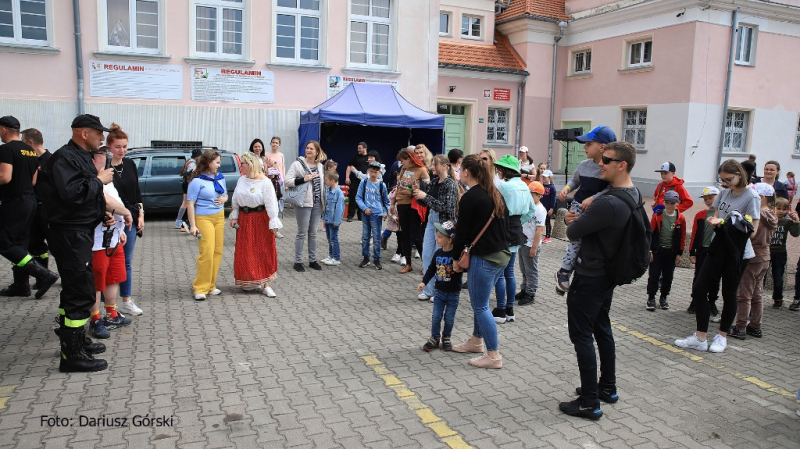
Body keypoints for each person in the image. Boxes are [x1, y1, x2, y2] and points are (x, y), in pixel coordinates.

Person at [43, 114, 133, 372]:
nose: (101, 138)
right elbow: (71, 194)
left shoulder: (78, 157)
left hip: (79, 232)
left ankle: (77, 341)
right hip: (69, 234)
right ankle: (71, 356)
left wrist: (104, 211)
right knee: (79, 292)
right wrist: (98, 181)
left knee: (76, 289)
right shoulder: (65, 158)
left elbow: (83, 196)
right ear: (84, 133)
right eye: (98, 133)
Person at [559, 141, 640, 421]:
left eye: (606, 159)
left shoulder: (607, 203)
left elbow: (573, 231)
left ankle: (590, 402)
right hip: (607, 275)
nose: (600, 163)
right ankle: (607, 387)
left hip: (591, 276)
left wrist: (572, 219)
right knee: (601, 327)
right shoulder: (632, 193)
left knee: (581, 335)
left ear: (622, 165)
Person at [675, 159, 760, 354]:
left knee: (729, 294)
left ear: (740, 175)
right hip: (717, 246)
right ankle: (700, 337)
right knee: (699, 289)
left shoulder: (752, 197)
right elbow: (718, 214)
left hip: (737, 252)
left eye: (729, 179)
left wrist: (725, 223)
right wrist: (716, 221)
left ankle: (722, 336)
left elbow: (752, 230)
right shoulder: (723, 193)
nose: (725, 183)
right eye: (722, 180)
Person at [450, 154, 509, 369]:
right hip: (500, 255)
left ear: (466, 172)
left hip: (485, 258)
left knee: (481, 306)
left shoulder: (471, 197)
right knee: (480, 303)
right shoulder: (493, 193)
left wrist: (456, 259)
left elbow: (462, 233)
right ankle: (476, 341)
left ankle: (493, 356)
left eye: (460, 170)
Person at [555, 125, 616, 294]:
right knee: (576, 240)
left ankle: (566, 273)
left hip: (596, 210)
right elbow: (575, 181)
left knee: (583, 242)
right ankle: (564, 272)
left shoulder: (608, 169)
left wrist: (594, 198)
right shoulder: (583, 165)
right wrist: (567, 188)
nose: (584, 147)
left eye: (589, 143)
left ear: (602, 147)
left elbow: (611, 189)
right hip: (578, 206)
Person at [0, 126, 53, 297]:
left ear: (3, 129)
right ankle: (21, 285)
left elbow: (5, 177)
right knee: (22, 244)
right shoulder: (30, 152)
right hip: (29, 201)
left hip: (15, 202)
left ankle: (43, 274)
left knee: (6, 243)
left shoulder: (6, 149)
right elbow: (33, 181)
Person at [88, 148, 131, 339]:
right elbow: (106, 203)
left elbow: (115, 202)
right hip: (97, 242)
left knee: (113, 277)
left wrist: (120, 230)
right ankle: (95, 319)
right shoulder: (91, 180)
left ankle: (111, 313)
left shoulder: (107, 180)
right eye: (100, 156)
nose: (105, 160)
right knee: (97, 283)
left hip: (113, 239)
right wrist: (127, 213)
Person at [229, 152, 282, 297]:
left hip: (260, 219)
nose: (241, 166)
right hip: (245, 220)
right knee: (246, 251)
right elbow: (235, 199)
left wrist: (273, 221)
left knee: (262, 250)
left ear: (252, 165)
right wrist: (235, 216)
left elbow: (271, 203)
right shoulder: (242, 180)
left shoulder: (265, 182)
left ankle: (266, 284)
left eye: (243, 163)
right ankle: (250, 280)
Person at [730, 183, 777, 340]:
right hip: (765, 256)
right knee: (757, 293)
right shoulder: (772, 214)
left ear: (761, 197)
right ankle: (756, 326)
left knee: (744, 293)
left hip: (752, 256)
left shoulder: (758, 214)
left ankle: (741, 326)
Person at [491, 155, 535, 324]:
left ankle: (501, 309)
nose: (498, 172)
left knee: (501, 273)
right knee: (509, 272)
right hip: (516, 231)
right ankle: (509, 309)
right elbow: (530, 210)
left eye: (499, 169)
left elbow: (494, 210)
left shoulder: (504, 187)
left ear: (504, 170)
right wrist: (518, 222)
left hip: (503, 231)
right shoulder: (525, 186)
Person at [107, 124, 145, 316]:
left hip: (131, 216)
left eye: (124, 146)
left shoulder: (130, 164)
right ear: (109, 147)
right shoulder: (105, 168)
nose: (122, 150)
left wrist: (141, 214)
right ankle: (109, 304)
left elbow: (137, 191)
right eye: (117, 147)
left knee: (126, 261)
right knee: (112, 259)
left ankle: (127, 300)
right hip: (112, 219)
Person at [414, 155, 458, 301]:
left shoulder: (450, 184)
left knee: (441, 257)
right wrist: (417, 195)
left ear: (444, 166)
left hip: (444, 225)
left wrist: (425, 196)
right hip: (432, 222)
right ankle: (429, 290)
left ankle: (439, 290)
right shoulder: (434, 182)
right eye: (432, 164)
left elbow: (446, 207)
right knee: (427, 255)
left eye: (435, 164)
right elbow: (426, 204)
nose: (432, 167)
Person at [187, 150, 228, 301]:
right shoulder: (197, 181)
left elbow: (225, 195)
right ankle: (200, 287)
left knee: (217, 251)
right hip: (204, 218)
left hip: (219, 216)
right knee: (207, 252)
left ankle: (211, 285)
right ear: (208, 162)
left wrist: (224, 199)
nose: (219, 165)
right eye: (217, 162)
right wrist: (193, 225)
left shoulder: (220, 177)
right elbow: (190, 204)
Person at [419, 221, 462, 352]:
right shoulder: (438, 253)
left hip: (453, 293)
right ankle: (435, 338)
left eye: (439, 237)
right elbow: (431, 269)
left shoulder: (456, 254)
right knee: (436, 316)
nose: (436, 239)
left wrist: (461, 267)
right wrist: (424, 282)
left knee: (449, 318)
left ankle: (447, 337)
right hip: (439, 292)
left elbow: (464, 268)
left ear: (450, 240)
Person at [286, 140, 326, 272]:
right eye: (307, 148)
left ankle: (312, 260)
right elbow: (287, 181)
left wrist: (323, 203)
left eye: (311, 149)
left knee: (313, 233)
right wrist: (303, 179)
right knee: (302, 233)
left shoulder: (320, 166)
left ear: (317, 152)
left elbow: (321, 185)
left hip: (317, 204)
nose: (308, 151)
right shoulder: (297, 164)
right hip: (303, 203)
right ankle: (298, 261)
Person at [391, 148, 430, 274]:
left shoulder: (422, 170)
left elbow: (426, 190)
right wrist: (393, 203)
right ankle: (408, 263)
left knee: (417, 236)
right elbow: (398, 186)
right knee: (404, 235)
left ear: (409, 159)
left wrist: (412, 192)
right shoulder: (404, 169)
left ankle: (426, 265)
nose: (401, 163)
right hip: (402, 204)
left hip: (413, 206)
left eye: (403, 161)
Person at [646, 190, 686, 311]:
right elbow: (649, 234)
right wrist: (649, 251)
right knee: (654, 275)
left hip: (671, 253)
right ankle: (651, 298)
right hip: (658, 251)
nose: (669, 206)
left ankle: (663, 297)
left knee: (668, 276)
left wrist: (679, 253)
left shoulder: (681, 218)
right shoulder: (657, 215)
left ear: (677, 203)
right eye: (667, 203)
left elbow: (682, 236)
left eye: (672, 203)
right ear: (663, 202)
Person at [687, 187, 721, 318]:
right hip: (702, 249)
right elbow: (695, 233)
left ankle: (711, 302)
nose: (708, 201)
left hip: (716, 251)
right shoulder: (700, 215)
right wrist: (692, 252)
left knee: (715, 278)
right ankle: (695, 301)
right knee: (699, 276)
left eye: (710, 198)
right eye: (706, 199)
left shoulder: (722, 215)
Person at [356, 162, 390, 270]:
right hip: (366, 213)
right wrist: (364, 208)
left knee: (376, 238)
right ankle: (366, 257)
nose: (373, 174)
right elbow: (358, 198)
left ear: (379, 172)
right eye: (371, 171)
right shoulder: (364, 182)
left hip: (377, 214)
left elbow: (386, 201)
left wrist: (385, 211)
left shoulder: (381, 185)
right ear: (368, 171)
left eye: (376, 172)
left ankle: (376, 259)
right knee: (365, 237)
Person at [517, 181, 546, 306]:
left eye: (532, 195)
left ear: (539, 196)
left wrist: (534, 247)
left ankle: (530, 293)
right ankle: (524, 288)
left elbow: (539, 230)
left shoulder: (540, 210)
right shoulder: (528, 206)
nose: (529, 197)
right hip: (523, 242)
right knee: (523, 269)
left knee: (531, 270)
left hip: (531, 244)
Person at [769, 197, 799, 309]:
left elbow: (795, 234)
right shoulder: (769, 219)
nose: (781, 211)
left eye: (784, 209)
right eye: (779, 208)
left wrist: (796, 221)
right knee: (761, 277)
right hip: (767, 252)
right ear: (773, 208)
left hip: (780, 253)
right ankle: (757, 298)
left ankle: (778, 298)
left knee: (778, 277)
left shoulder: (787, 222)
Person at [322, 170, 345, 266]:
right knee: (329, 238)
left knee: (333, 239)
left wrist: (337, 221)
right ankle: (330, 256)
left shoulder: (338, 193)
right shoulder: (328, 190)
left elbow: (339, 209)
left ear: (332, 180)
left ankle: (336, 258)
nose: (325, 181)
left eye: (326, 180)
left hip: (333, 221)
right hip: (327, 219)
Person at [175, 148, 202, 230]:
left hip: (185, 183)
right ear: (198, 156)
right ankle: (185, 222)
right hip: (188, 184)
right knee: (189, 203)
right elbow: (190, 174)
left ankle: (178, 221)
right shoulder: (193, 164)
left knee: (185, 203)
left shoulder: (189, 161)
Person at [345, 142, 369, 222]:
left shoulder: (369, 158)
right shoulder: (355, 157)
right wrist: (347, 177)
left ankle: (361, 215)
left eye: (360, 148)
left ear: (365, 148)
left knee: (363, 197)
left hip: (365, 181)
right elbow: (349, 166)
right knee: (353, 197)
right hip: (355, 181)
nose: (358, 150)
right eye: (358, 148)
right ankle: (350, 215)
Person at [540, 169, 556, 243]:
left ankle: (548, 236)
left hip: (547, 208)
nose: (543, 179)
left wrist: (551, 208)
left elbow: (553, 199)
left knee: (547, 222)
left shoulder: (552, 188)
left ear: (549, 177)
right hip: (541, 207)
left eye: (545, 177)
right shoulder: (541, 186)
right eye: (543, 177)